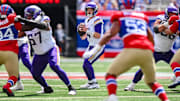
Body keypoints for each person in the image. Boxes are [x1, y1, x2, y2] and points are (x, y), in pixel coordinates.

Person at [83, 11, 169, 101]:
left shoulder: (120, 16)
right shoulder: (141, 16)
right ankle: (166, 100)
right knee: (152, 82)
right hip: (147, 51)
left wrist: (95, 49)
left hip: (132, 48)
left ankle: (112, 98)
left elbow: (110, 34)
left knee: (110, 75)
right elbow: (150, 37)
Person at [15, 5, 76, 95]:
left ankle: (71, 87)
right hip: (39, 54)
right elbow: (19, 33)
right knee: (35, 74)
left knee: (54, 65)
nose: (28, 17)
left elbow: (43, 26)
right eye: (26, 15)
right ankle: (46, 88)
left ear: (36, 15)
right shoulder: (26, 26)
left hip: (50, 49)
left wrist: (23, 20)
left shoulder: (44, 19)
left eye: (30, 15)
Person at [124, 6, 179, 91]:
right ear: (166, 14)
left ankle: (177, 77)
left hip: (168, 51)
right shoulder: (161, 19)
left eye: (174, 14)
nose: (172, 16)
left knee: (177, 63)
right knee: (144, 68)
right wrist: (167, 23)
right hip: (155, 51)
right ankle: (131, 85)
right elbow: (156, 28)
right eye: (171, 14)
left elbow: (173, 32)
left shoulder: (177, 23)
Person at [77, 2, 105, 89]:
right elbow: (84, 37)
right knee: (85, 65)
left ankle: (95, 83)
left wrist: (87, 30)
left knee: (87, 63)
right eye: (87, 10)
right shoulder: (86, 20)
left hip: (98, 46)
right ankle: (90, 82)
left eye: (91, 10)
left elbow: (98, 35)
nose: (89, 11)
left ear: (95, 10)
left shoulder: (97, 20)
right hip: (91, 45)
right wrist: (81, 32)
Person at [0, 4, 22, 96]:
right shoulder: (11, 17)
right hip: (10, 52)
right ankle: (7, 86)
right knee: (14, 76)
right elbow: (21, 28)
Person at [155, 14, 180, 88]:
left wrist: (167, 24)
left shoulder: (177, 21)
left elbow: (168, 32)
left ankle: (178, 78)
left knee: (174, 62)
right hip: (160, 50)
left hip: (162, 49)